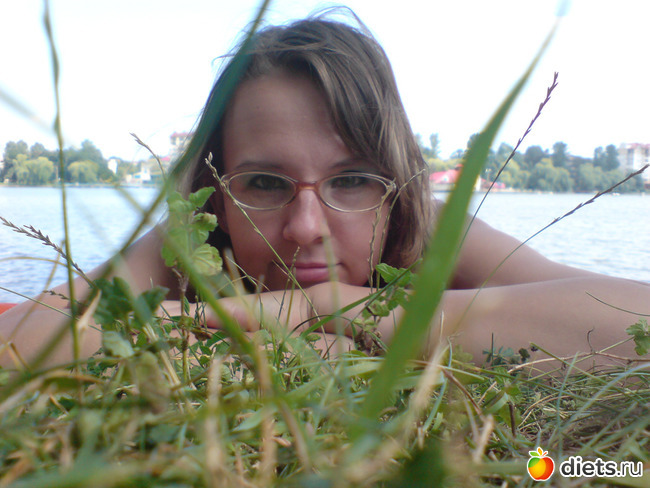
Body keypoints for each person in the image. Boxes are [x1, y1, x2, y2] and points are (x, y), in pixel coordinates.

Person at [1, 12, 648, 370]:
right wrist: (278, 332)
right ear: (215, 191)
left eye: (352, 180)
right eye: (263, 183)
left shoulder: (425, 229)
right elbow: (20, 341)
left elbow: (634, 321)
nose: (306, 226)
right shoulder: (189, 241)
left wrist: (330, 308)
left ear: (396, 190)